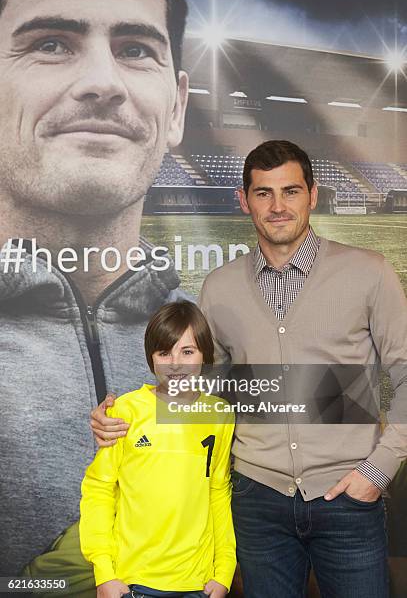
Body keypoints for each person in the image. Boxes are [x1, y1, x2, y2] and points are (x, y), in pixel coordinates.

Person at [94, 140, 407, 597]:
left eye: (291, 191)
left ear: (313, 195)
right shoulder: (219, 288)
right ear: (244, 200)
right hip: (257, 500)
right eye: (263, 193)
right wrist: (121, 417)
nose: (278, 206)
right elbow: (197, 392)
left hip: (347, 495)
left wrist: (377, 470)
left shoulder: (369, 272)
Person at [0, 0, 189, 580]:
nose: (103, 82)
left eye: (136, 49)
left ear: (177, 109)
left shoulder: (218, 334)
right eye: (51, 44)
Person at [80, 300, 236, 598]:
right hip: (133, 582)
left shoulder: (219, 414)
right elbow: (99, 490)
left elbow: (218, 491)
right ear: (151, 358)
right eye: (164, 352)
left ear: (205, 355)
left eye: (187, 351)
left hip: (199, 584)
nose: (175, 363)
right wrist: (104, 572)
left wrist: (224, 571)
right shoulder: (125, 410)